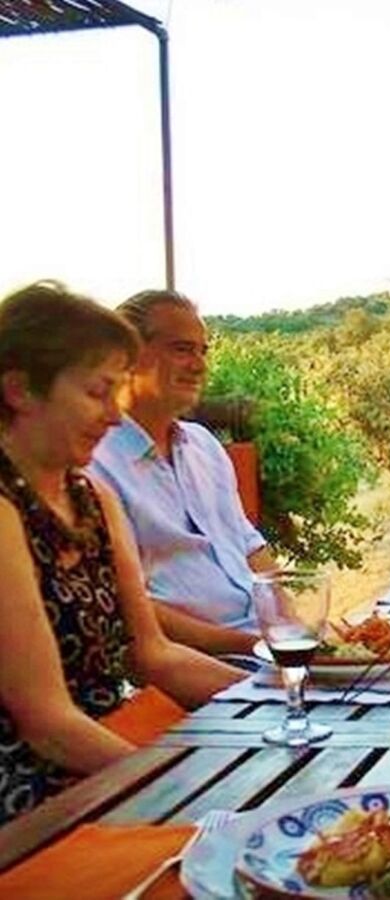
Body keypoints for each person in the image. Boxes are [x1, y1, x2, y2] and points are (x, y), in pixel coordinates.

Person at [0, 282, 242, 826]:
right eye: (97, 392)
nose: (114, 416)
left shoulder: (91, 498)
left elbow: (153, 655)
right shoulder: (5, 511)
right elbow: (46, 723)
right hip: (33, 789)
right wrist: (175, 791)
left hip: (110, 748)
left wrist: (282, 692)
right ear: (20, 390)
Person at [87, 289, 280, 657]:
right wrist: (257, 647)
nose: (199, 365)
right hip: (195, 661)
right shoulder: (95, 464)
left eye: (202, 351)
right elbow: (127, 607)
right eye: (182, 349)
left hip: (261, 649)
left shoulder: (205, 446)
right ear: (126, 355)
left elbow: (251, 547)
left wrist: (293, 632)